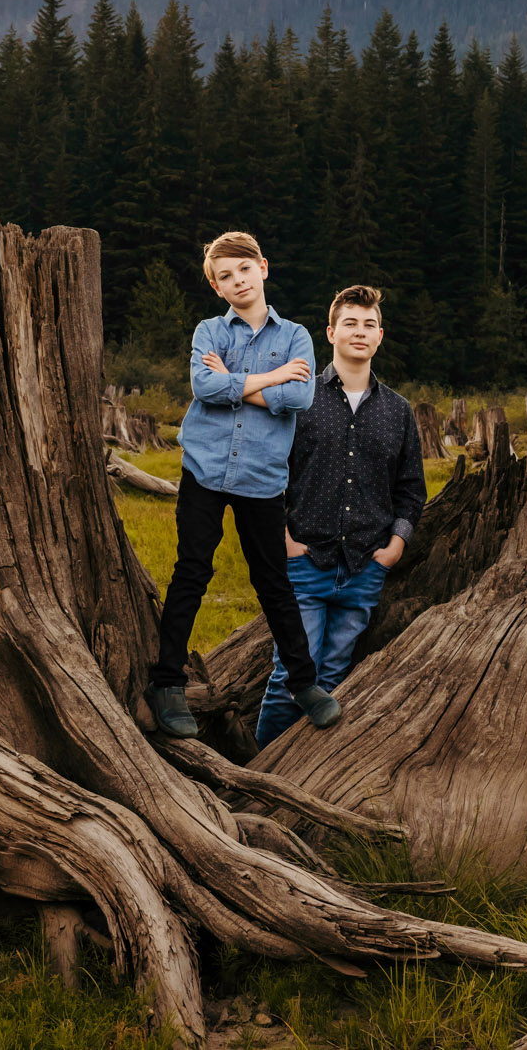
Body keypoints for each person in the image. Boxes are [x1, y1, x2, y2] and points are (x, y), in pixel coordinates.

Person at [145, 231, 343, 738]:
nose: (237, 281)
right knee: (192, 570)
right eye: (225, 277)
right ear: (216, 286)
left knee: (274, 584)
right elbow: (203, 387)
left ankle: (303, 682)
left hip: (261, 479)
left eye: (244, 270)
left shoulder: (296, 335)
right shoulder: (209, 331)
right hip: (205, 471)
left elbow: (300, 399)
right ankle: (167, 683)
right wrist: (273, 379)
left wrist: (241, 382)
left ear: (263, 268)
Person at [256, 284, 426, 748]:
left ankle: (305, 782)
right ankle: (254, 778)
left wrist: (395, 548)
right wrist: (284, 540)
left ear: (380, 336)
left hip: (363, 569)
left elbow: (412, 489)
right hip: (304, 561)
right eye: (350, 322)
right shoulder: (299, 400)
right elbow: (267, 474)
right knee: (291, 677)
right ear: (330, 332)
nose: (360, 331)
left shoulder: (398, 411)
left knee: (333, 680)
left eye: (369, 324)